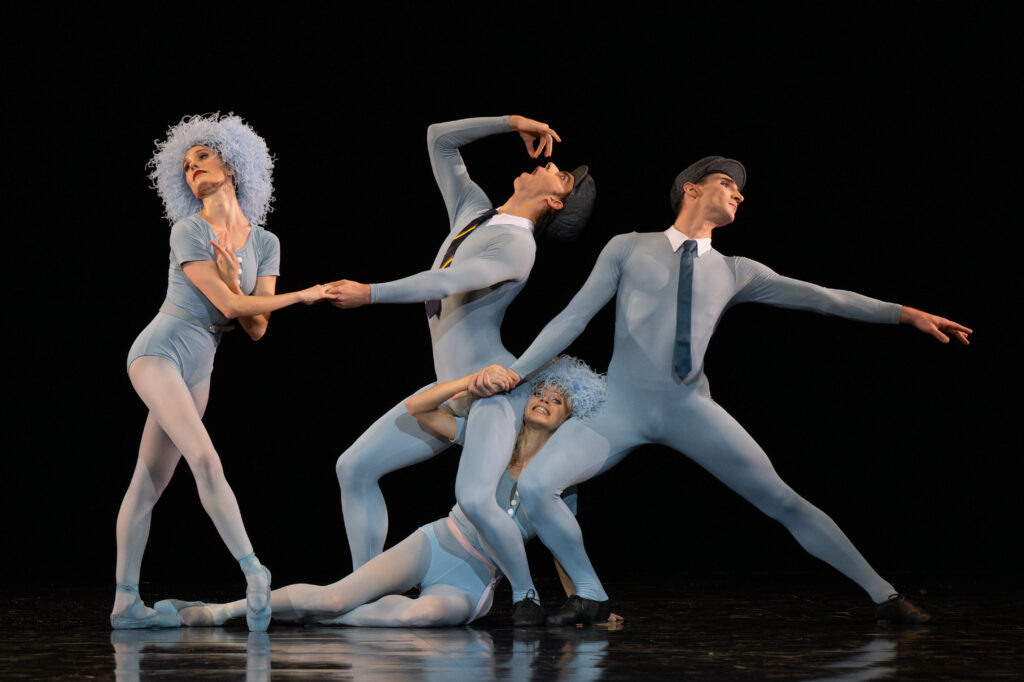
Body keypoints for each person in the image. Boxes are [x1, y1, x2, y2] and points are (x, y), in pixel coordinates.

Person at [477, 156, 971, 625]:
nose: (738, 194)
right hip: (620, 408)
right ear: (691, 189)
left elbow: (823, 298)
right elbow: (573, 317)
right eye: (727, 184)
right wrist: (519, 371)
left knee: (781, 498)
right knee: (538, 485)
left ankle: (883, 594)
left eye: (740, 190)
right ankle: (590, 596)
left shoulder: (738, 270)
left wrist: (905, 314)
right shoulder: (627, 246)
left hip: (691, 409)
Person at [328, 115, 596, 619]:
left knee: (481, 497)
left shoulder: (518, 246)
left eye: (561, 176)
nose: (551, 163)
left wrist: (371, 294)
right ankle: (363, 591)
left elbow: (446, 283)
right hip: (451, 388)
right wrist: (512, 121)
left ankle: (530, 596)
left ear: (555, 202)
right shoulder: (475, 215)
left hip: (495, 395)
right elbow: (438, 139)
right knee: (355, 467)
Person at [156, 357, 608, 628]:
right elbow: (418, 408)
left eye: (559, 398)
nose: (545, 398)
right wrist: (470, 382)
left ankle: (310, 614)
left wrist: (590, 605)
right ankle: (218, 612)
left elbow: (562, 551)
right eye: (541, 390)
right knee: (334, 597)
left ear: (570, 416)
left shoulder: (557, 484)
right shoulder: (486, 440)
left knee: (415, 617)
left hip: (472, 581)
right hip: (435, 541)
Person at [112, 114, 334, 631]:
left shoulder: (265, 242)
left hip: (201, 362)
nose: (193, 169)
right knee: (205, 458)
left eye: (202, 158)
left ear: (233, 164)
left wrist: (238, 279)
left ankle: (126, 603)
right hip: (160, 350)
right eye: (186, 166)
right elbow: (230, 307)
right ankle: (255, 571)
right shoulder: (188, 229)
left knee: (148, 482)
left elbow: (256, 327)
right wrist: (302, 295)